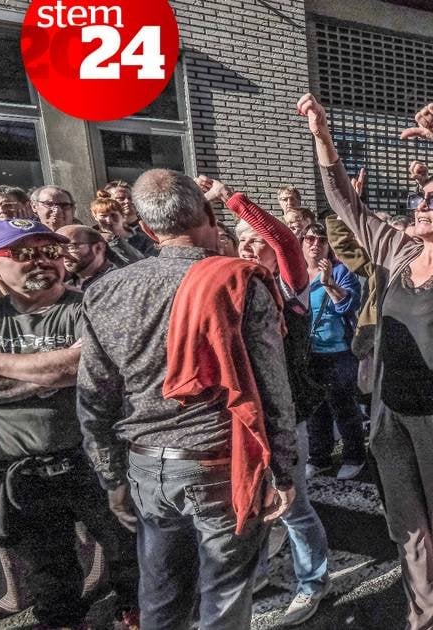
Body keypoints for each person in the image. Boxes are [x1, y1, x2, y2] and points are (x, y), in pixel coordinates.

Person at [300, 92, 433, 629]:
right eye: (421, 200)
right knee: (407, 525)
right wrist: (324, 139)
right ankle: (426, 615)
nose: (424, 206)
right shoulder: (398, 252)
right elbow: (347, 207)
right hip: (390, 415)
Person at [77, 169, 298, 628]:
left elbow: (94, 394)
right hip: (219, 461)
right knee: (225, 595)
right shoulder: (238, 282)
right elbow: (272, 388)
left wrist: (111, 474)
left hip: (144, 462)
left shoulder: (105, 290)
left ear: (145, 226)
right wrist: (283, 469)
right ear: (206, 213)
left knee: (160, 594)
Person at [0, 219, 137, 628]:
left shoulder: (89, 305)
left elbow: (86, 364)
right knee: (48, 574)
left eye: (51, 251)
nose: (41, 261)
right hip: (15, 470)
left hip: (93, 462)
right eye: (24, 254)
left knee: (128, 558)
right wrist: (45, 376)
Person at [202, 176, 334, 624]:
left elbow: (281, 236)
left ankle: (313, 581)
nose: (247, 247)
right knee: (250, 504)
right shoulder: (224, 287)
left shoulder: (289, 283)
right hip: (238, 415)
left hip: (283, 414)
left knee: (292, 504)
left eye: (254, 240)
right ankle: (259, 568)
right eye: (239, 241)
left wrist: (229, 200)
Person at [300, 222, 365, 479]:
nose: (315, 244)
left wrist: (328, 283)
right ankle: (319, 457)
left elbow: (346, 305)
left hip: (339, 352)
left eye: (321, 240)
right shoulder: (294, 273)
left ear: (329, 246)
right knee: (316, 410)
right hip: (310, 353)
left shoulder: (341, 272)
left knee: (344, 407)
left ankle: (354, 456)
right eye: (310, 239)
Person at [90, 196, 149, 266]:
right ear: (95, 217)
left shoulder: (141, 237)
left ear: (121, 214)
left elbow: (146, 262)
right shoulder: (92, 241)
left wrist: (115, 241)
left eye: (113, 215)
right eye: (103, 216)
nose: (109, 220)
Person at [101, 184, 157, 257]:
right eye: (121, 198)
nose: (127, 201)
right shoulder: (102, 235)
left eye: (130, 198)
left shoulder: (153, 225)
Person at [57, 225, 116, 291]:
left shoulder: (119, 281)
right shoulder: (63, 290)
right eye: (58, 248)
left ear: (98, 247)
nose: (62, 253)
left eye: (71, 247)